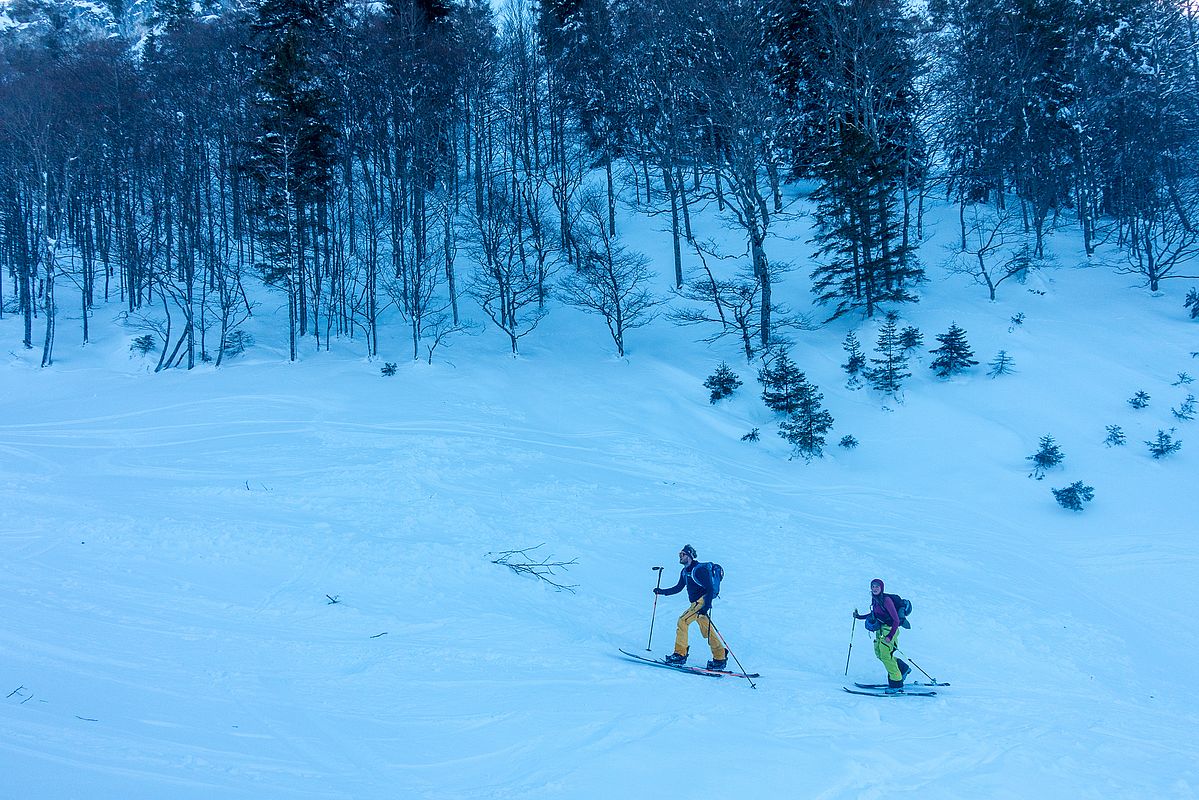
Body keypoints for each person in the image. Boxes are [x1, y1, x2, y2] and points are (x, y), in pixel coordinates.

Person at [653, 544, 727, 669]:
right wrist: (661, 591)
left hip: (702, 602)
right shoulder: (684, 571)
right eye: (679, 554)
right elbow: (678, 588)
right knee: (706, 629)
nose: (680, 556)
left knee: (683, 621)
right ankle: (720, 657)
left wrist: (706, 606)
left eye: (683, 554)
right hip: (696, 603)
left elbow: (709, 589)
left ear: (690, 556)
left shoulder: (699, 570)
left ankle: (680, 655)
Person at [852, 578, 911, 690]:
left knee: (885, 655)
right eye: (873, 586)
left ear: (881, 588)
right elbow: (875, 613)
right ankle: (903, 668)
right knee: (879, 653)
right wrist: (859, 616)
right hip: (881, 629)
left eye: (877, 586)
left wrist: (890, 636)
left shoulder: (886, 600)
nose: (874, 589)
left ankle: (896, 683)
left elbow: (896, 620)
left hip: (889, 629)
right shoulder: (875, 599)